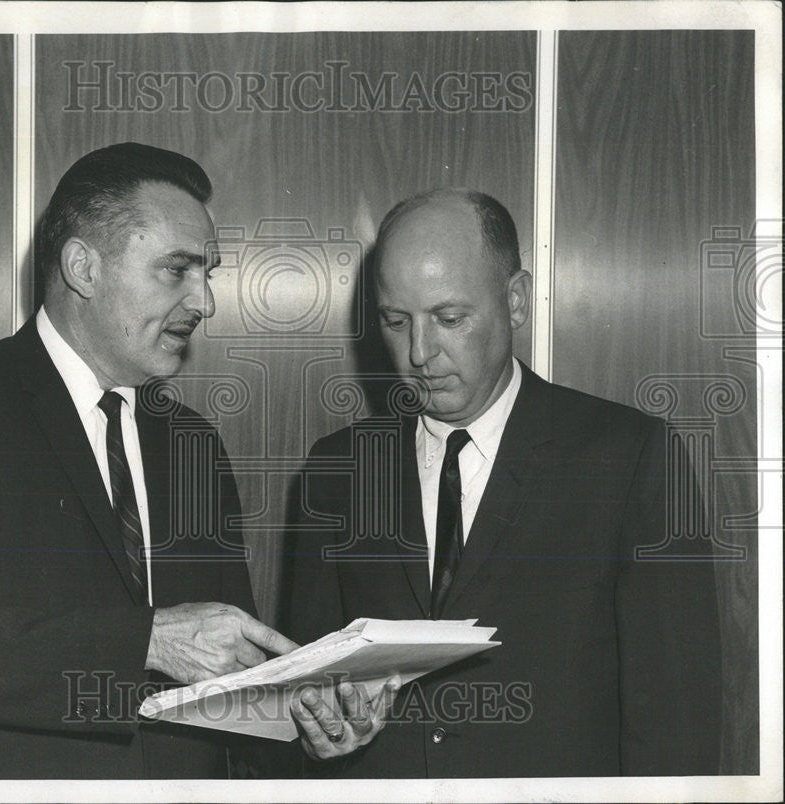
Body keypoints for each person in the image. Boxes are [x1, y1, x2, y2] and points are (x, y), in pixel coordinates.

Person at [0, 142, 299, 779]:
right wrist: (147, 641)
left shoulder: (193, 444)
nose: (205, 303)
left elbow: (222, 688)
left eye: (209, 273)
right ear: (83, 268)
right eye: (178, 270)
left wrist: (307, 726)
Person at [286, 188, 722, 776]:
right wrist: (319, 735)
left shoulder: (628, 455)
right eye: (395, 321)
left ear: (515, 301)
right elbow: (300, 697)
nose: (419, 352)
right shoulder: (335, 470)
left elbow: (676, 717)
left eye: (449, 318)